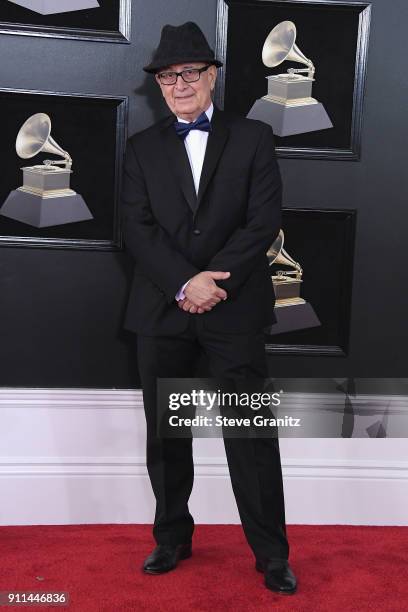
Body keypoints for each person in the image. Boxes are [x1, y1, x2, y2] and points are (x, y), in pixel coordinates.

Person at [121, 21, 297, 595]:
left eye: (189, 73)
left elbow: (263, 221)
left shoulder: (253, 138)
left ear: (212, 76)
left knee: (249, 433)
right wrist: (185, 283)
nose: (178, 85)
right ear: (159, 85)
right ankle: (171, 537)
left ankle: (271, 553)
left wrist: (214, 282)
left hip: (235, 306)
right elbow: (137, 231)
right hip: (163, 310)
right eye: (168, 77)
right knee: (167, 436)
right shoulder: (141, 148)